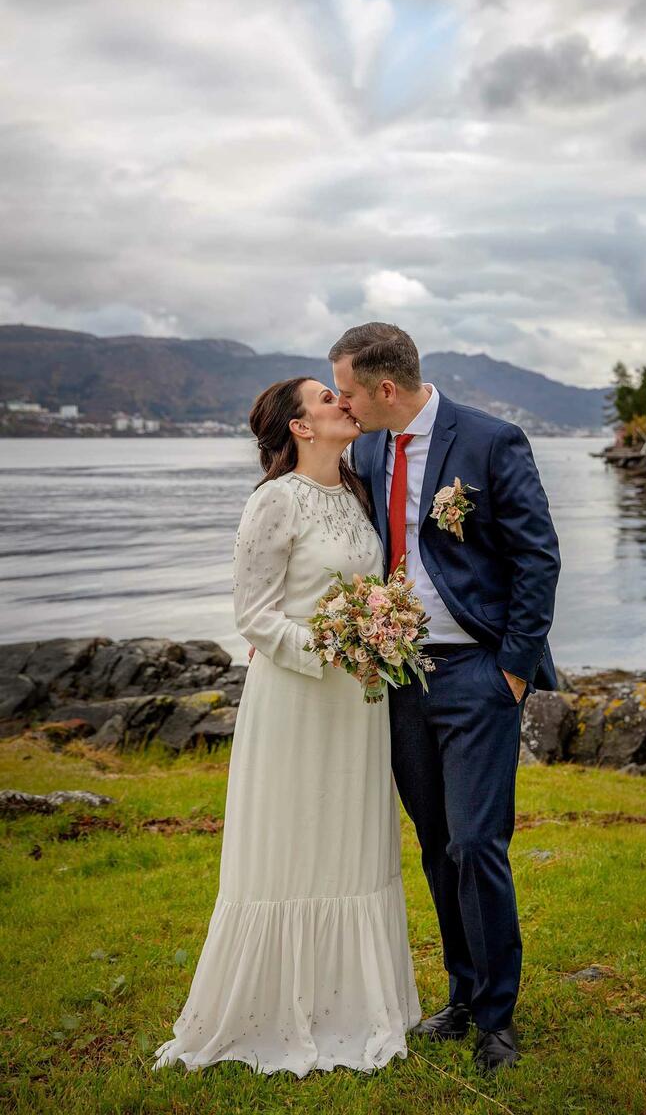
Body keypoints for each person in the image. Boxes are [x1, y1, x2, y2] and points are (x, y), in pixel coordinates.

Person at [151, 376, 421, 1078]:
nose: (344, 403)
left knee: (351, 842)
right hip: (299, 698)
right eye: (327, 399)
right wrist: (335, 647)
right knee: (294, 841)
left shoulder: (357, 493)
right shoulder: (274, 501)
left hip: (356, 705)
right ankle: (274, 1011)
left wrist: (377, 639)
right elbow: (256, 615)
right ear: (300, 427)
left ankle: (357, 1004)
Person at [330, 322, 561, 1074]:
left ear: (385, 390)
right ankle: (462, 997)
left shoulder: (492, 441)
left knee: (475, 846)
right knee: (435, 845)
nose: (343, 404)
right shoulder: (368, 449)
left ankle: (498, 1018)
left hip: (478, 673)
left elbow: (537, 556)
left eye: (350, 392)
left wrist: (515, 670)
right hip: (401, 677)